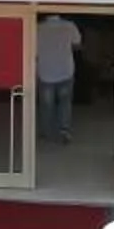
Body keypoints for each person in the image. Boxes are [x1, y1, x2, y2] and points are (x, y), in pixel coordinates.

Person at [36, 14, 84, 143]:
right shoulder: (69, 26)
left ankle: (45, 132)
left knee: (46, 104)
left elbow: (32, 50)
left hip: (45, 71)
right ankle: (64, 130)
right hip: (65, 70)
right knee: (65, 103)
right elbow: (77, 45)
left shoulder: (37, 28)